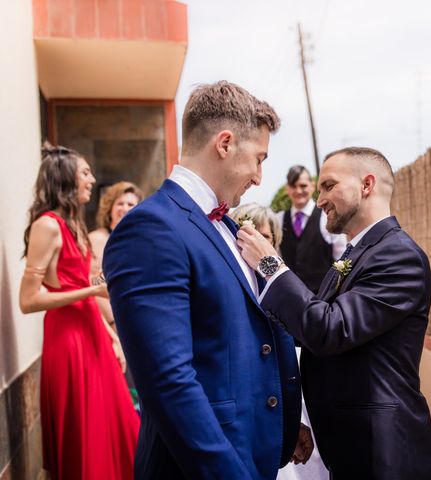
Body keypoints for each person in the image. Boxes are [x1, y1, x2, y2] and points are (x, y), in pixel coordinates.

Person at [103, 81, 308, 480]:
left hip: (252, 449)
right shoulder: (151, 228)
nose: (259, 177)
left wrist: (282, 423)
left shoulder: (228, 227)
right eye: (259, 159)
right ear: (225, 143)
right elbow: (169, 384)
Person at [238, 147, 431, 479]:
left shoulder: (398, 256)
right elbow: (309, 323)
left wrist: (270, 265)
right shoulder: (357, 252)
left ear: (367, 184)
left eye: (328, 185)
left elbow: (329, 329)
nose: (319, 200)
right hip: (351, 447)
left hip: (383, 452)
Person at [19, 143, 139, 480]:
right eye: (85, 172)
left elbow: (81, 289)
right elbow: (27, 300)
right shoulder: (47, 226)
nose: (92, 179)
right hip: (69, 342)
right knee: (89, 435)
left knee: (118, 427)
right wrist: (94, 289)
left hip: (93, 334)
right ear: (67, 178)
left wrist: (110, 334)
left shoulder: (73, 224)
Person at [231, 203, 328, 480]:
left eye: (266, 237)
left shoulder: (279, 285)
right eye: (249, 236)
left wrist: (289, 421)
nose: (258, 243)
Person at [278, 165, 347, 293]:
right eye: (293, 186)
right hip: (291, 299)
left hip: (325, 299)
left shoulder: (328, 216)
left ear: (312, 185)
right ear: (287, 189)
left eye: (303, 185)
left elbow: (342, 260)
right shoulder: (278, 220)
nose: (298, 191)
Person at [89, 181, 143, 332]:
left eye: (130, 204)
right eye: (120, 203)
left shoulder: (140, 241)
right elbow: (94, 285)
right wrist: (114, 325)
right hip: (109, 324)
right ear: (110, 208)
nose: (125, 208)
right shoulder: (97, 239)